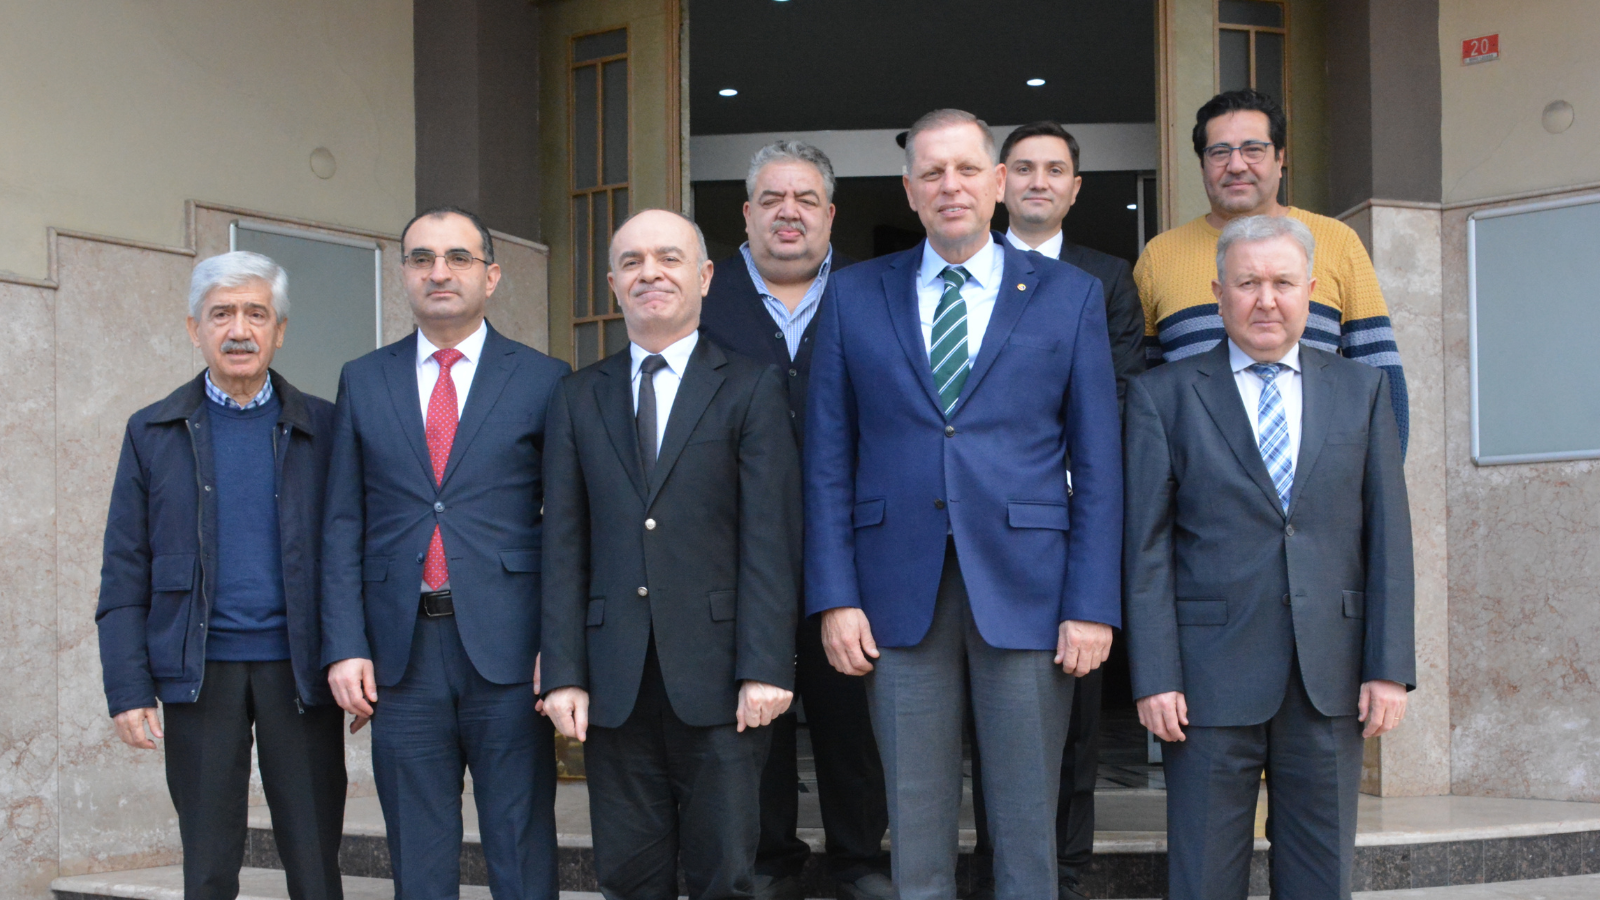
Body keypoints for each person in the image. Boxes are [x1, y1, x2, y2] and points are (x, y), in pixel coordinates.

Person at [805, 109, 1123, 900]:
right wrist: (835, 597)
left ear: (999, 183)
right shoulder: (852, 295)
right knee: (915, 825)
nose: (950, 186)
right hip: (893, 590)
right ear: (910, 191)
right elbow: (827, 462)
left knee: (1026, 823)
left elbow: (1098, 463)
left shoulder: (1071, 296)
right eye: (932, 173)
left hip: (1030, 587)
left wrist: (1091, 603)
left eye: (967, 170)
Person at [1124, 214, 1415, 899]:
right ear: (1217, 293)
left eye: (1282, 283)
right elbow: (1146, 549)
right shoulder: (1162, 395)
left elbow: (1388, 538)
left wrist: (1389, 668)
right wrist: (1154, 675)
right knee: (1203, 877)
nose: (1266, 300)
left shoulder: (1363, 389)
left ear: (1310, 292)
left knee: (1320, 878)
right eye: (1247, 282)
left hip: (1331, 675)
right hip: (1205, 680)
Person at [541, 208, 802, 900]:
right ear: (612, 285)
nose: (649, 273)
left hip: (723, 682)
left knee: (726, 877)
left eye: (669, 258)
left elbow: (771, 539)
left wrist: (766, 664)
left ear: (705, 276)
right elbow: (564, 544)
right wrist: (563, 672)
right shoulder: (577, 396)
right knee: (628, 879)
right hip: (615, 682)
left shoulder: (751, 386)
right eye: (631, 262)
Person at [321, 207, 571, 898]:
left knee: (521, 846)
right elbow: (341, 522)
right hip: (401, 656)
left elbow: (566, 528)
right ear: (404, 273)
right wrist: (345, 644)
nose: (440, 272)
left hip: (510, 652)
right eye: (422, 258)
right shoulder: (363, 379)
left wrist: (560, 647)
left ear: (491, 276)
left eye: (459, 257)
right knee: (419, 856)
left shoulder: (544, 378)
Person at [97, 251, 345, 900]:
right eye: (222, 314)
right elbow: (124, 567)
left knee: (316, 865)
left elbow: (355, 552)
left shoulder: (325, 427)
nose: (239, 330)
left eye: (256, 314)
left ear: (279, 331)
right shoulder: (152, 431)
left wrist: (357, 655)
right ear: (194, 329)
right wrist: (127, 687)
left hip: (302, 671)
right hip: (199, 673)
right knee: (207, 867)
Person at [962, 120, 1152, 900]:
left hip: (1067, 524)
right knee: (985, 723)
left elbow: (1119, 392)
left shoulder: (1105, 279)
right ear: (998, 182)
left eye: (1055, 169)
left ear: (1076, 188)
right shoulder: (967, 272)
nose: (1038, 181)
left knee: (1071, 719)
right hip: (972, 530)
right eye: (1024, 167)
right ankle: (996, 870)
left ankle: (1063, 874)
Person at [698, 141, 892, 900]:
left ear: (830, 215)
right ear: (746, 213)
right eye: (773, 199)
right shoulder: (703, 299)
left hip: (854, 550)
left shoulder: (873, 294)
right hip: (732, 547)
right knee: (752, 720)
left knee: (854, 719)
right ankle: (768, 860)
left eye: (806, 200)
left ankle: (858, 861)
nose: (789, 213)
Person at [1133, 89, 1409, 455]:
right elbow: (1143, 392)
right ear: (1202, 165)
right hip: (1197, 479)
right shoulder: (1159, 257)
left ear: (1280, 158)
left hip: (1319, 476)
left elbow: (1381, 378)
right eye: (1219, 152)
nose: (1236, 165)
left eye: (1253, 149)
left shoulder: (1337, 242)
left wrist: (1382, 477)